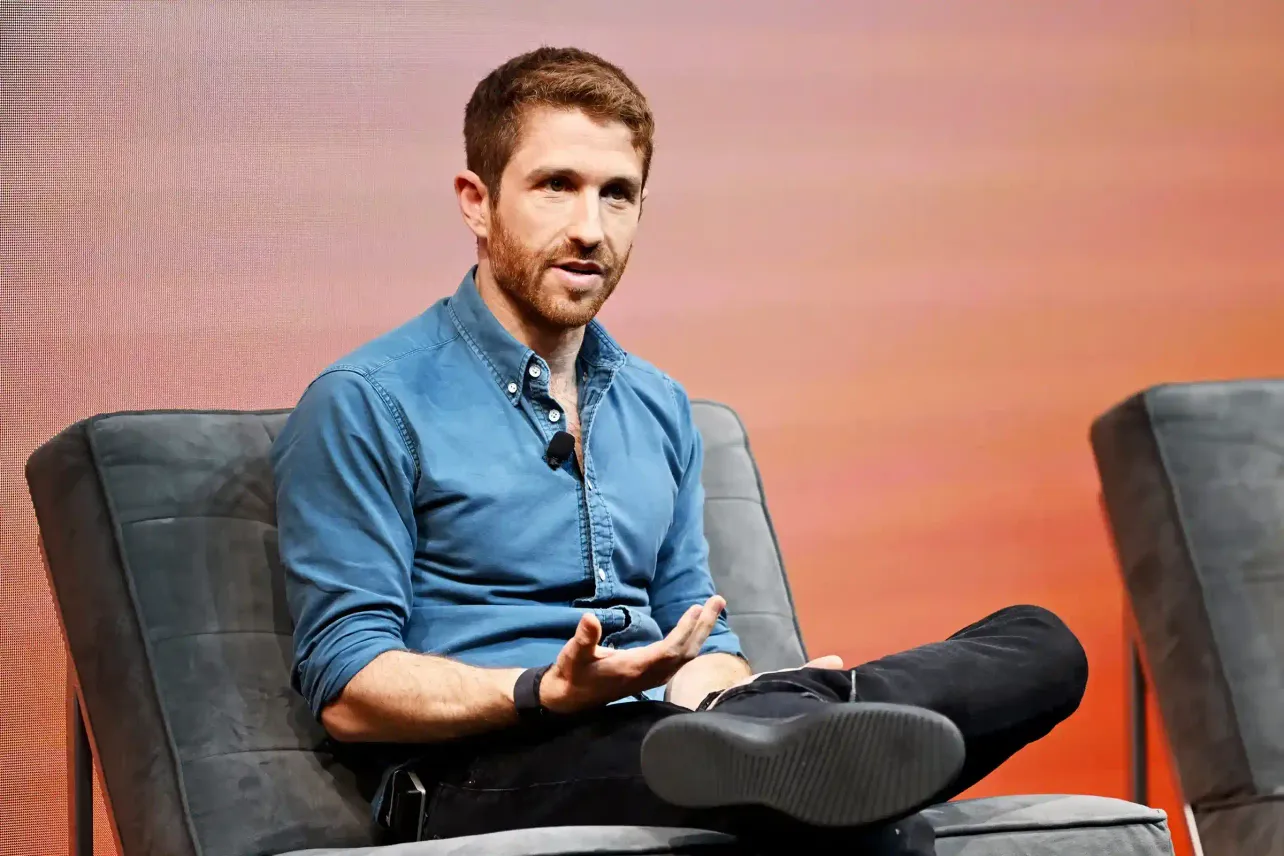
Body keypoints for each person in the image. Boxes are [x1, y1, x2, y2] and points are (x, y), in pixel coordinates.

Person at [270, 47, 1088, 853]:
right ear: (476, 203)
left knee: (1039, 644)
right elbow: (348, 684)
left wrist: (738, 692)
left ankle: (794, 727)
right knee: (824, 807)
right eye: (556, 186)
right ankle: (801, 747)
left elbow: (695, 633)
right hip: (486, 767)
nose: (589, 228)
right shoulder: (368, 399)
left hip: (670, 736)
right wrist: (542, 690)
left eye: (616, 194)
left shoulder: (658, 405)